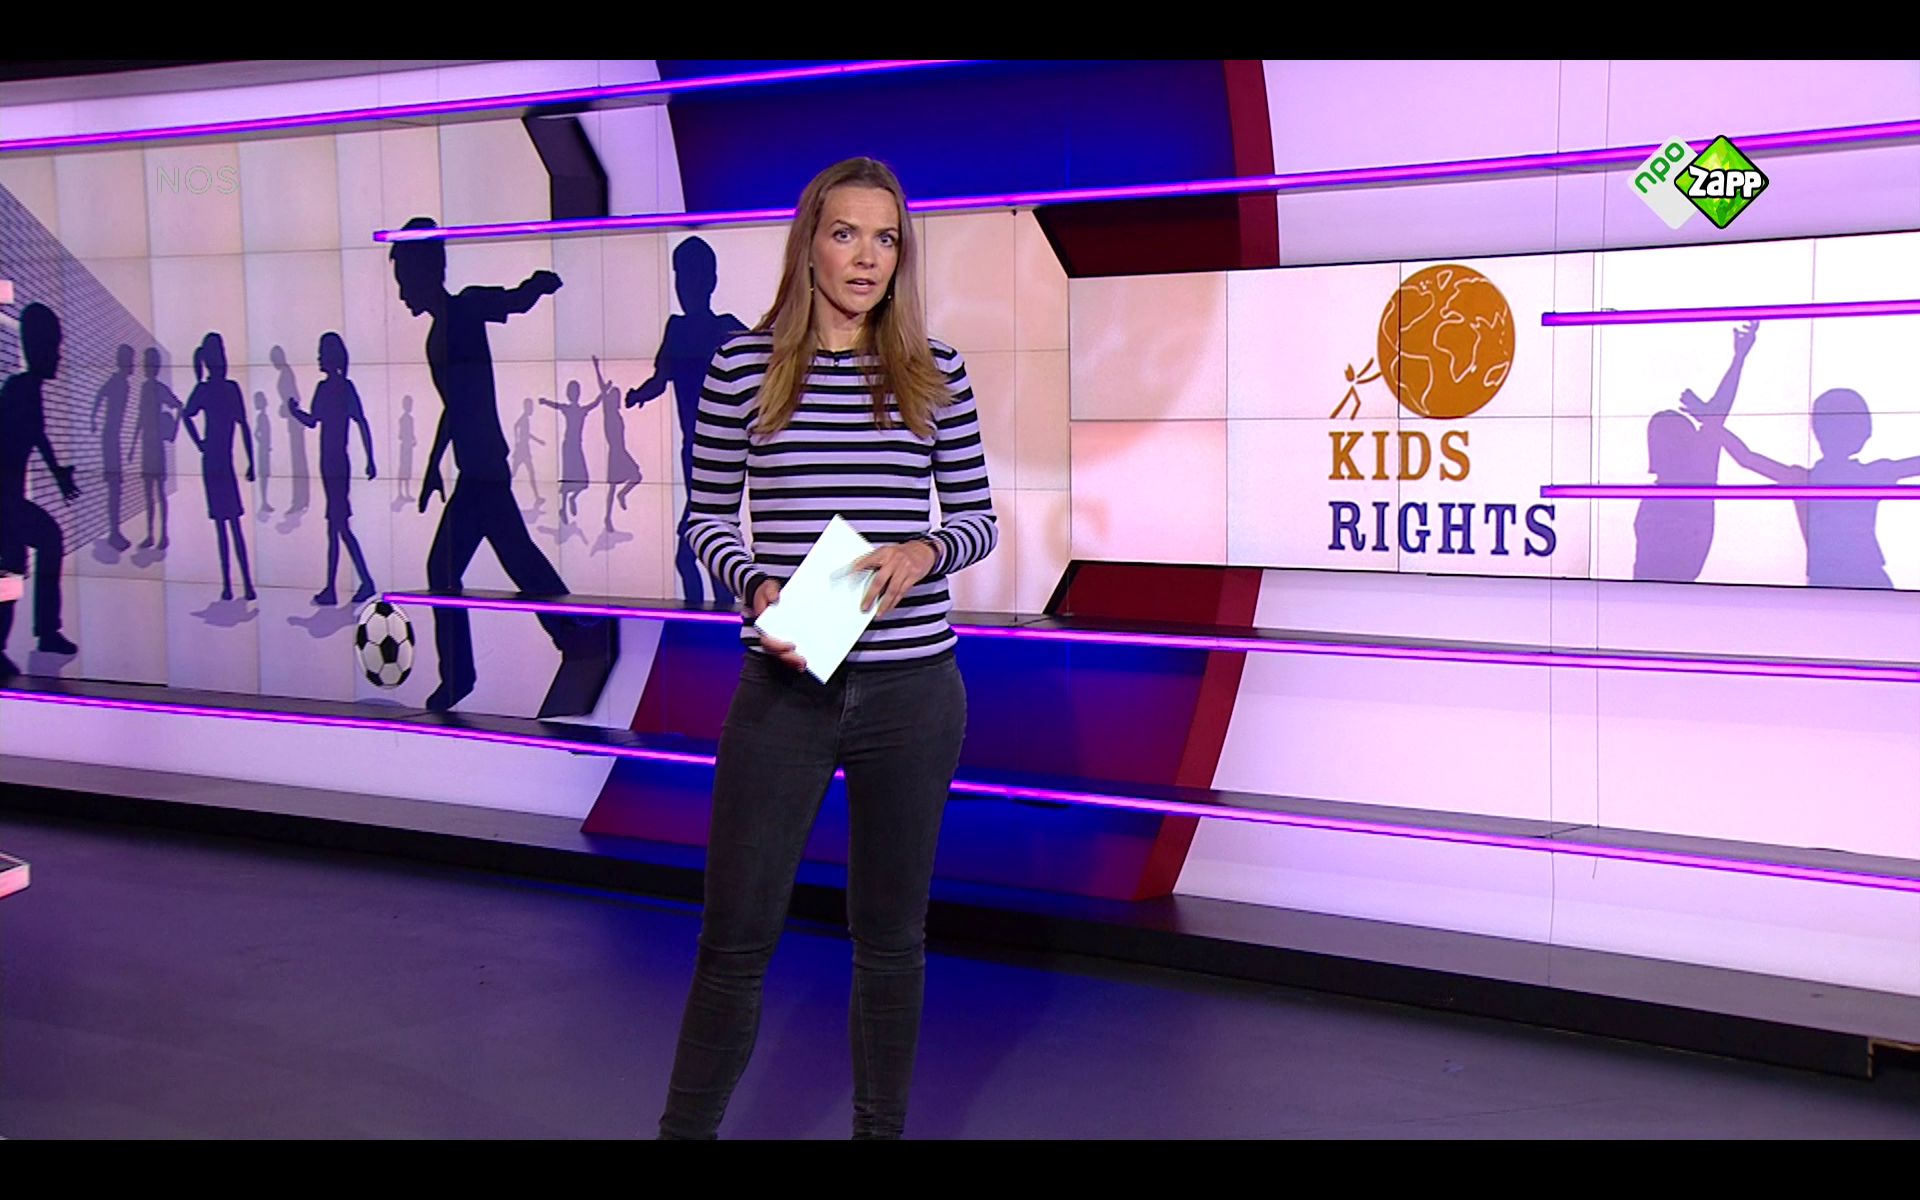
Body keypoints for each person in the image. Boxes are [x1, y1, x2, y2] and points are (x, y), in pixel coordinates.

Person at [657, 157, 998, 1140]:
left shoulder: (936, 371)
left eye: (885, 238)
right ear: (809, 243)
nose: (866, 256)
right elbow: (704, 518)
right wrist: (756, 584)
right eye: (846, 233)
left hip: (913, 693)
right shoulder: (741, 368)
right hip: (787, 688)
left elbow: (977, 519)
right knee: (734, 941)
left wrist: (923, 550)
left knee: (890, 942)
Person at [389, 216, 583, 712]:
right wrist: (434, 464)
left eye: (405, 278)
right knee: (517, 558)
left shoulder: (465, 309)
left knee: (455, 565)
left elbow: (511, 301)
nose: (402, 291)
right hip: (476, 468)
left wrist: (539, 284)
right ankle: (573, 632)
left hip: (483, 468)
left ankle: (465, 674)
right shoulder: (438, 333)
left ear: (427, 271)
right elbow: (454, 407)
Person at [625, 237, 748, 605]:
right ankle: (716, 609)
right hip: (691, 450)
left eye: (693, 276)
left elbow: (765, 361)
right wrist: (638, 394)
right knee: (707, 540)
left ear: (710, 280)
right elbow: (660, 379)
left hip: (722, 452)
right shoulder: (677, 329)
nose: (685, 287)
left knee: (700, 541)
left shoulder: (727, 328)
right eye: (680, 276)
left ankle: (716, 611)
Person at [1714, 386, 1920, 588]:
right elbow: (1747, 459)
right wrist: (1712, 425)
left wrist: (1712, 424)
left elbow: (1747, 458)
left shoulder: (1803, 480)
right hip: (1855, 578)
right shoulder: (1870, 474)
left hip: (1837, 579)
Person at [1632, 321, 1757, 582]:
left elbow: (1716, 416)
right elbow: (1716, 416)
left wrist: (1739, 359)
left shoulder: (1696, 481)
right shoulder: (1695, 481)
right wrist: (1739, 359)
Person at [0, 302, 82, 674]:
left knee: (25, 558)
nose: (59, 356)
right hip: (5, 500)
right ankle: (41, 633)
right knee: (14, 567)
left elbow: (38, 435)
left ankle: (45, 633)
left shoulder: (27, 389)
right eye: (54, 347)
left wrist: (58, 473)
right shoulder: (19, 390)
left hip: (10, 499)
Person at [288, 332, 378, 606]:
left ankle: (355, 583)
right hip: (330, 464)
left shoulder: (339, 388)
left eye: (321, 353)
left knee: (339, 526)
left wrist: (370, 459)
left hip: (337, 464)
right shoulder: (328, 388)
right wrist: (295, 412)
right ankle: (342, 586)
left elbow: (360, 421)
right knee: (337, 526)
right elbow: (314, 421)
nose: (318, 358)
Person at [179, 332, 257, 602]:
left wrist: (202, 443)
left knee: (228, 525)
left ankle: (240, 585)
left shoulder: (216, 389)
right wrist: (201, 443)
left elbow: (242, 426)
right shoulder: (218, 389)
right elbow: (188, 416)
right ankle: (235, 585)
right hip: (216, 462)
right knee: (228, 525)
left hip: (218, 461)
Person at [128, 347, 179, 550]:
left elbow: (179, 405)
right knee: (149, 493)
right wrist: (133, 445)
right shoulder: (144, 388)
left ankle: (163, 535)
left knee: (159, 492)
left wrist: (173, 430)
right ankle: (150, 535)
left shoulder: (159, 389)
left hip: (156, 446)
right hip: (147, 447)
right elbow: (141, 419)